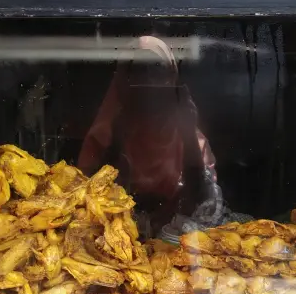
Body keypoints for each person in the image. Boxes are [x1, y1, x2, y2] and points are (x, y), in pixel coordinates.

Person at [78, 36, 218, 235]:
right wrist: (116, 141)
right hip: (111, 242)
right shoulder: (102, 137)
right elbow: (84, 199)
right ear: (123, 80)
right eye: (137, 71)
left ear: (171, 77)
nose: (148, 80)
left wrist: (187, 134)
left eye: (157, 70)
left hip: (179, 247)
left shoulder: (193, 140)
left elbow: (204, 202)